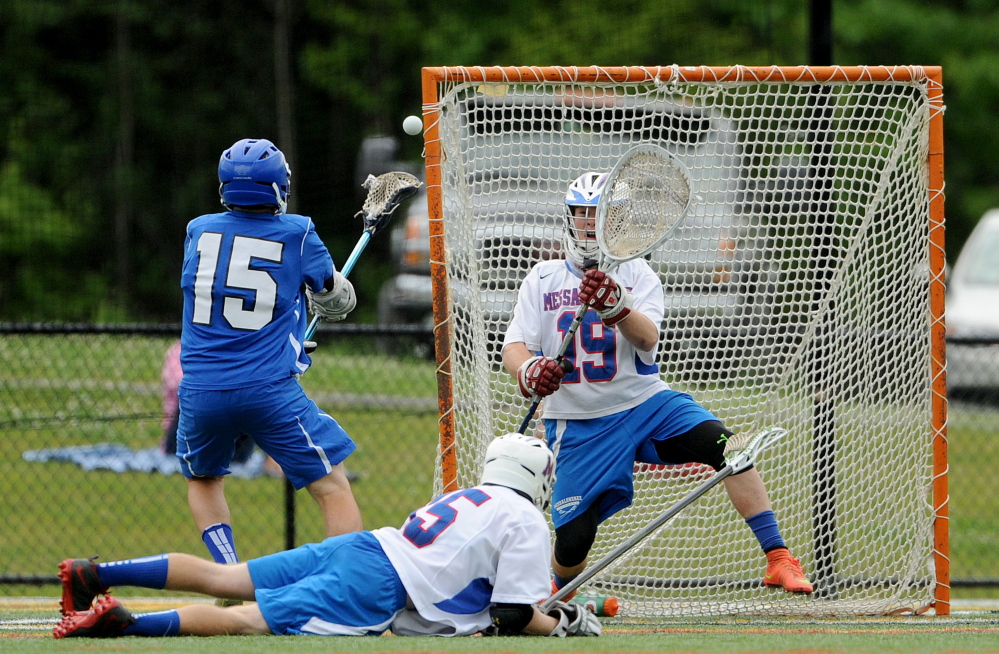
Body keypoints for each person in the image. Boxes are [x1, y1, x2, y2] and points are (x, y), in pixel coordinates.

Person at [501, 171, 813, 600]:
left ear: (620, 218)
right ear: (568, 217)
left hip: (645, 404)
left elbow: (647, 338)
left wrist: (616, 307)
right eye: (582, 214)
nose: (590, 224)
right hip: (579, 423)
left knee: (732, 446)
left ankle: (779, 558)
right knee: (573, 540)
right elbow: (514, 348)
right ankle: (560, 593)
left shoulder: (638, 274)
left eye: (600, 213)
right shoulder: (542, 278)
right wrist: (529, 370)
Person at [53, 434, 601, 639]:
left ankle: (96, 573)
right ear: (539, 481)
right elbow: (510, 616)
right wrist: (561, 626)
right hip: (376, 582)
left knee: (226, 578)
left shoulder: (463, 497)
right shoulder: (527, 518)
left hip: (362, 547)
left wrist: (547, 614)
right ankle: (122, 625)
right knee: (246, 619)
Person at [176, 138, 361, 568]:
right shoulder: (298, 233)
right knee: (332, 487)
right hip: (267, 391)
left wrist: (290, 338)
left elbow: (227, 304)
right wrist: (333, 300)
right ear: (279, 186)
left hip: (201, 390)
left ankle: (226, 572)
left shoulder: (198, 229)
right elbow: (333, 297)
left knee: (204, 481)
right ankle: (342, 582)